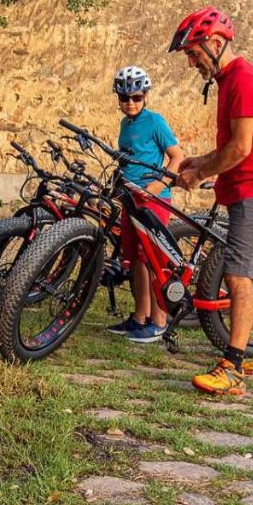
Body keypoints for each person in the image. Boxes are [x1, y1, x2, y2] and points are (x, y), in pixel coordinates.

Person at [168, 7, 253, 395]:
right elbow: (232, 146)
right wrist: (200, 161)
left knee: (239, 276)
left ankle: (233, 367)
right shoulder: (231, 80)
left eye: (194, 53)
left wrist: (200, 173)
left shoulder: (242, 80)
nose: (192, 63)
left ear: (216, 43)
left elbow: (240, 148)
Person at [104, 66, 185, 343]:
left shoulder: (155, 122)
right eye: (125, 98)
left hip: (153, 200)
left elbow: (176, 157)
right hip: (130, 198)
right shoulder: (125, 125)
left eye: (136, 97)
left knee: (153, 260)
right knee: (136, 260)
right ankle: (140, 318)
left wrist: (159, 185)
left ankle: (159, 322)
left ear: (145, 96)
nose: (130, 103)